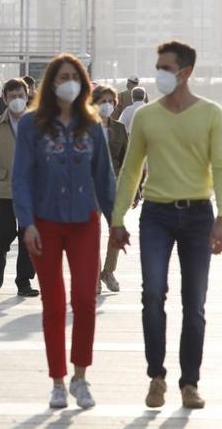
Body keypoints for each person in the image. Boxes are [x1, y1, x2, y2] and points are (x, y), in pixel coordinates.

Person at [110, 41, 222, 410]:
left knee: (194, 303)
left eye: (166, 66)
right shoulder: (147, 116)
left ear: (186, 71)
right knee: (152, 295)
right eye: (157, 66)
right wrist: (117, 220)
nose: (159, 72)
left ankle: (189, 383)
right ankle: (156, 377)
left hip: (198, 216)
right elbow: (132, 169)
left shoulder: (211, 114)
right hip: (156, 215)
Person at [14, 54, 115, 410]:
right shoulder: (30, 126)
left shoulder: (93, 126)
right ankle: (57, 381)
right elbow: (22, 177)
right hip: (45, 223)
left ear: (84, 84)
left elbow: (105, 178)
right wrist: (26, 224)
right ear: (51, 84)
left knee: (86, 300)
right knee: (53, 304)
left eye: (75, 76)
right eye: (62, 77)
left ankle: (81, 377)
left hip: (85, 222)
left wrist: (116, 222)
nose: (68, 82)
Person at [0, 78, 39, 297]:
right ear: (4, 99)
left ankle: (23, 281)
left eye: (20, 96)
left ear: (27, 97)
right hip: (4, 188)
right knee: (5, 231)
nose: (17, 100)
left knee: (29, 236)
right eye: (12, 96)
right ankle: (0, 255)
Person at [92, 85, 129, 293]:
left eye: (110, 102)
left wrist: (135, 190)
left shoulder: (119, 128)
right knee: (92, 232)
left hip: (114, 186)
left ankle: (108, 271)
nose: (107, 106)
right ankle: (94, 275)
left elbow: (127, 160)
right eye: (102, 101)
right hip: (90, 187)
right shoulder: (85, 127)